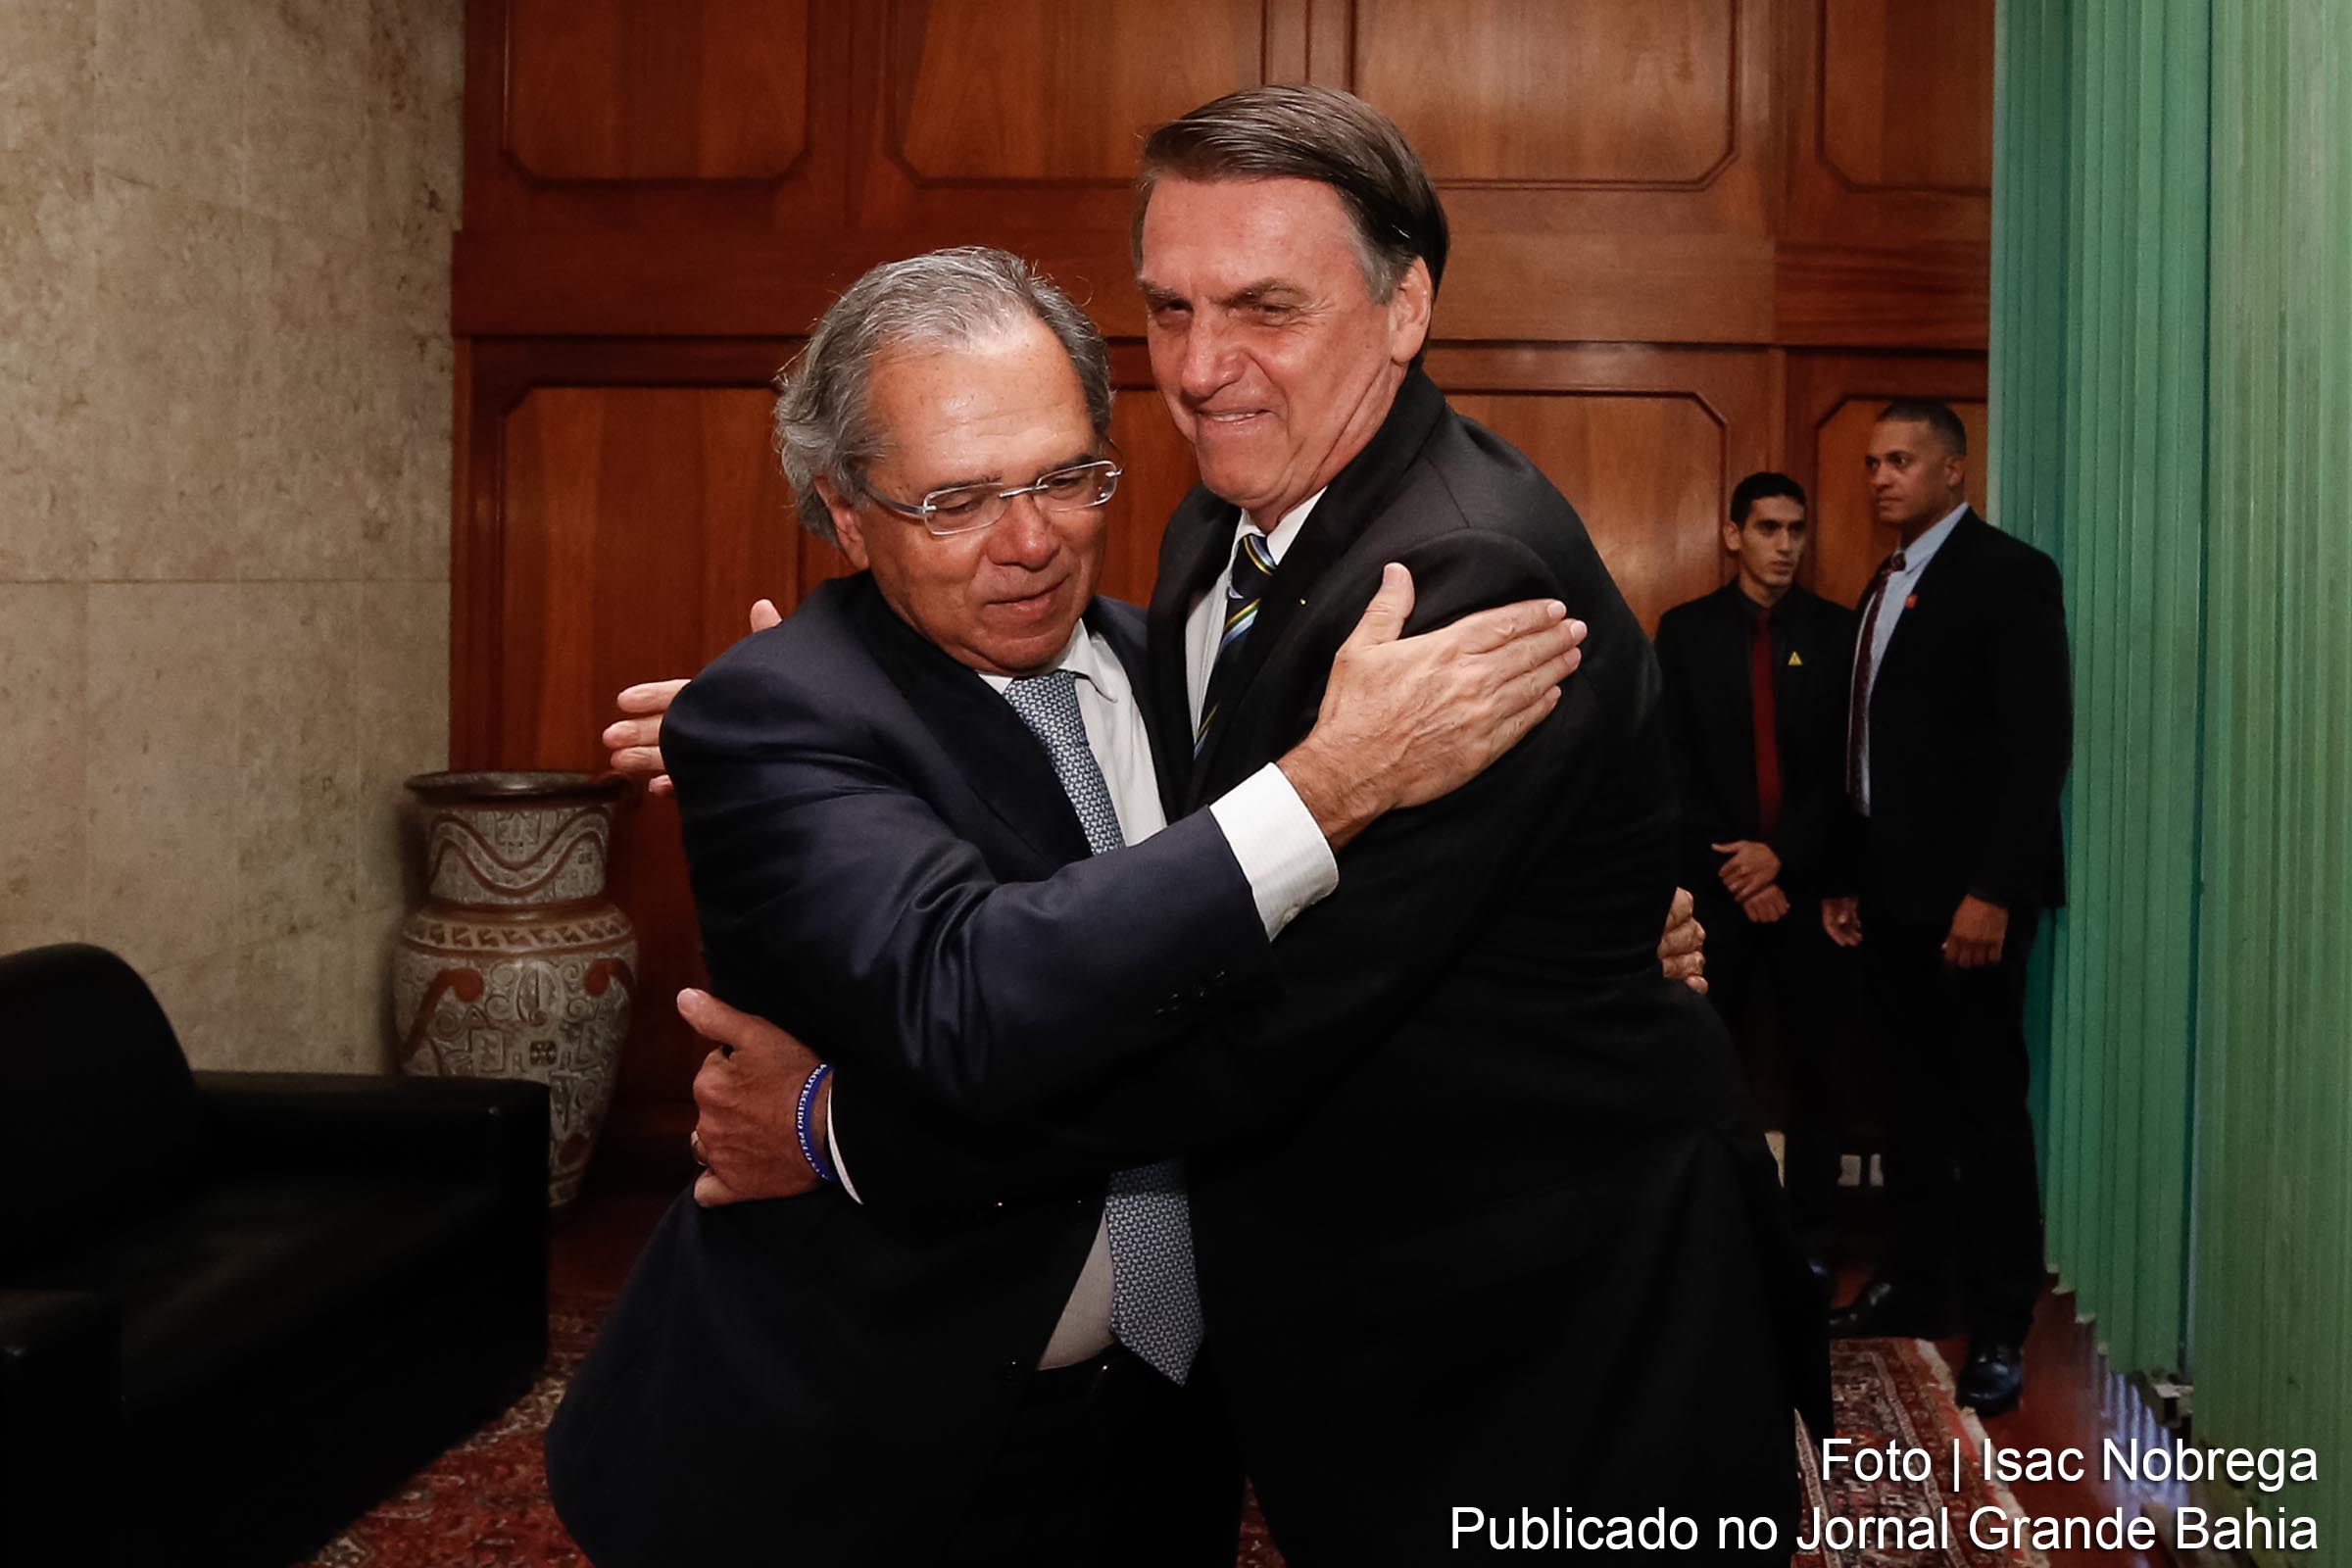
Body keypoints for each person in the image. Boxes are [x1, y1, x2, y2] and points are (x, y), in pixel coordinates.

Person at [604, 87, 1826, 1565]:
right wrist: (820, 719)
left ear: (1405, 304)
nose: (1199, 368)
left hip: (1533, 1330)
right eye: (1170, 308)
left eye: (1263, 308)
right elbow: (1141, 779)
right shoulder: (1213, 529)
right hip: (1237, 1356)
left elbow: (1248, 1039)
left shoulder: (1449, 591)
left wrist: (833, 1123)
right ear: (848, 516)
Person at [545, 246, 1591, 1568]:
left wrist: (1576, 931)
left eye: (1063, 476)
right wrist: (1327, 786)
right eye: (956, 502)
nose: (1031, 541)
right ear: (846, 514)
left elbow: (1288, 995)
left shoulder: (1188, 675)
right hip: (865, 1448)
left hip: (1166, 1424)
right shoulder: (773, 711)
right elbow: (974, 1000)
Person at [1820, 400, 2072, 1419]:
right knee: (1907, 1104)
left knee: (1986, 1112)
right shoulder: (1884, 582)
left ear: (1954, 472)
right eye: (1874, 462)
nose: (1882, 477)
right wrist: (1843, 874)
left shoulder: (2009, 575)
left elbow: (2035, 746)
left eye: (1903, 461)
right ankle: (1916, 1279)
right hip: (1886, 893)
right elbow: (1865, 747)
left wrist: (1992, 891)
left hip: (1968, 901)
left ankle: (2001, 1322)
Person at [1653, 472, 1858, 1283]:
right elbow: (1671, 767)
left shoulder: (1838, 634)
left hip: (1812, 890)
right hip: (1717, 890)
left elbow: (1847, 771)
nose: (1785, 546)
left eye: (1796, 530)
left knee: (1823, 1070)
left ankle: (1809, 1238)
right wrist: (1741, 866)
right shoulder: (1685, 632)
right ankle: (1717, 1227)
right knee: (1707, 1062)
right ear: (1733, 533)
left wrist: (1782, 859)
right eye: (1769, 528)